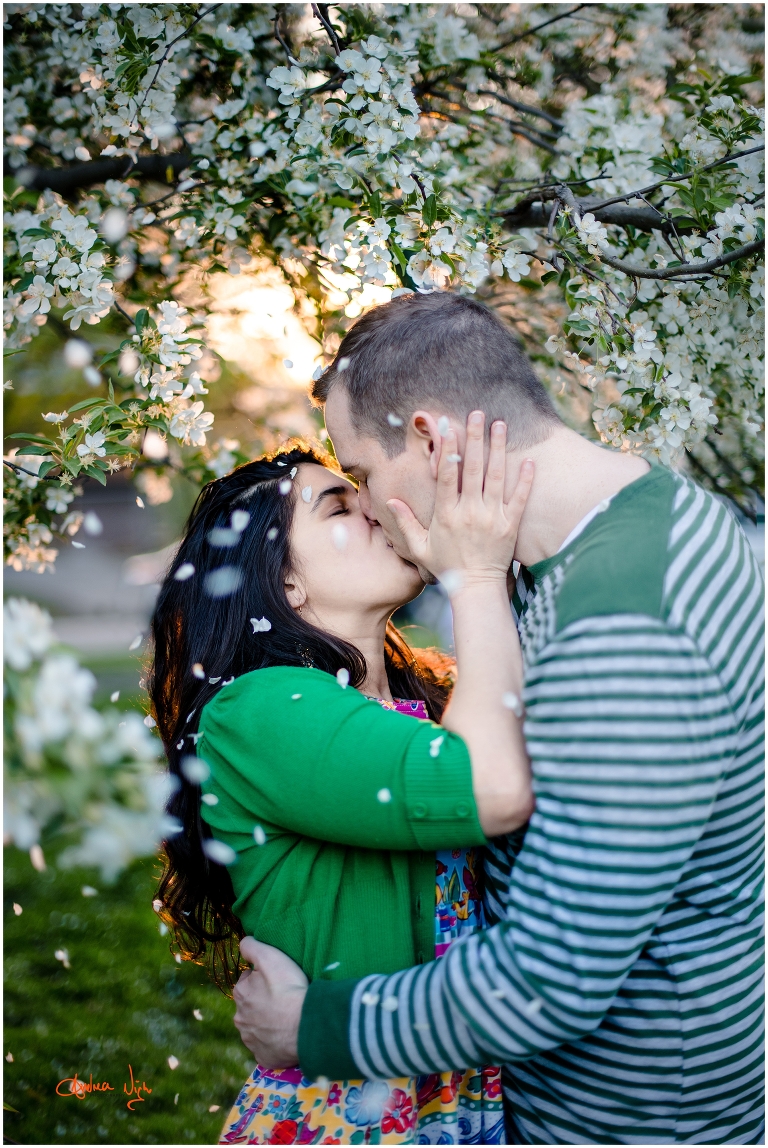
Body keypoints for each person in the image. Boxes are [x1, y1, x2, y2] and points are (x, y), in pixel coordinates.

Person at [231, 291, 765, 1145]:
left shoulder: (626, 630)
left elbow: (550, 982)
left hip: (630, 1118)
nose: (367, 506)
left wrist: (311, 1027)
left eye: (363, 474)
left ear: (433, 443)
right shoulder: (637, 524)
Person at [149, 433, 536, 1144]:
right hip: (350, 1113)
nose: (375, 510)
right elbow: (490, 789)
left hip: (456, 1095)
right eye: (337, 507)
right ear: (283, 582)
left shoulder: (432, 700)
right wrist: (476, 579)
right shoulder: (257, 712)